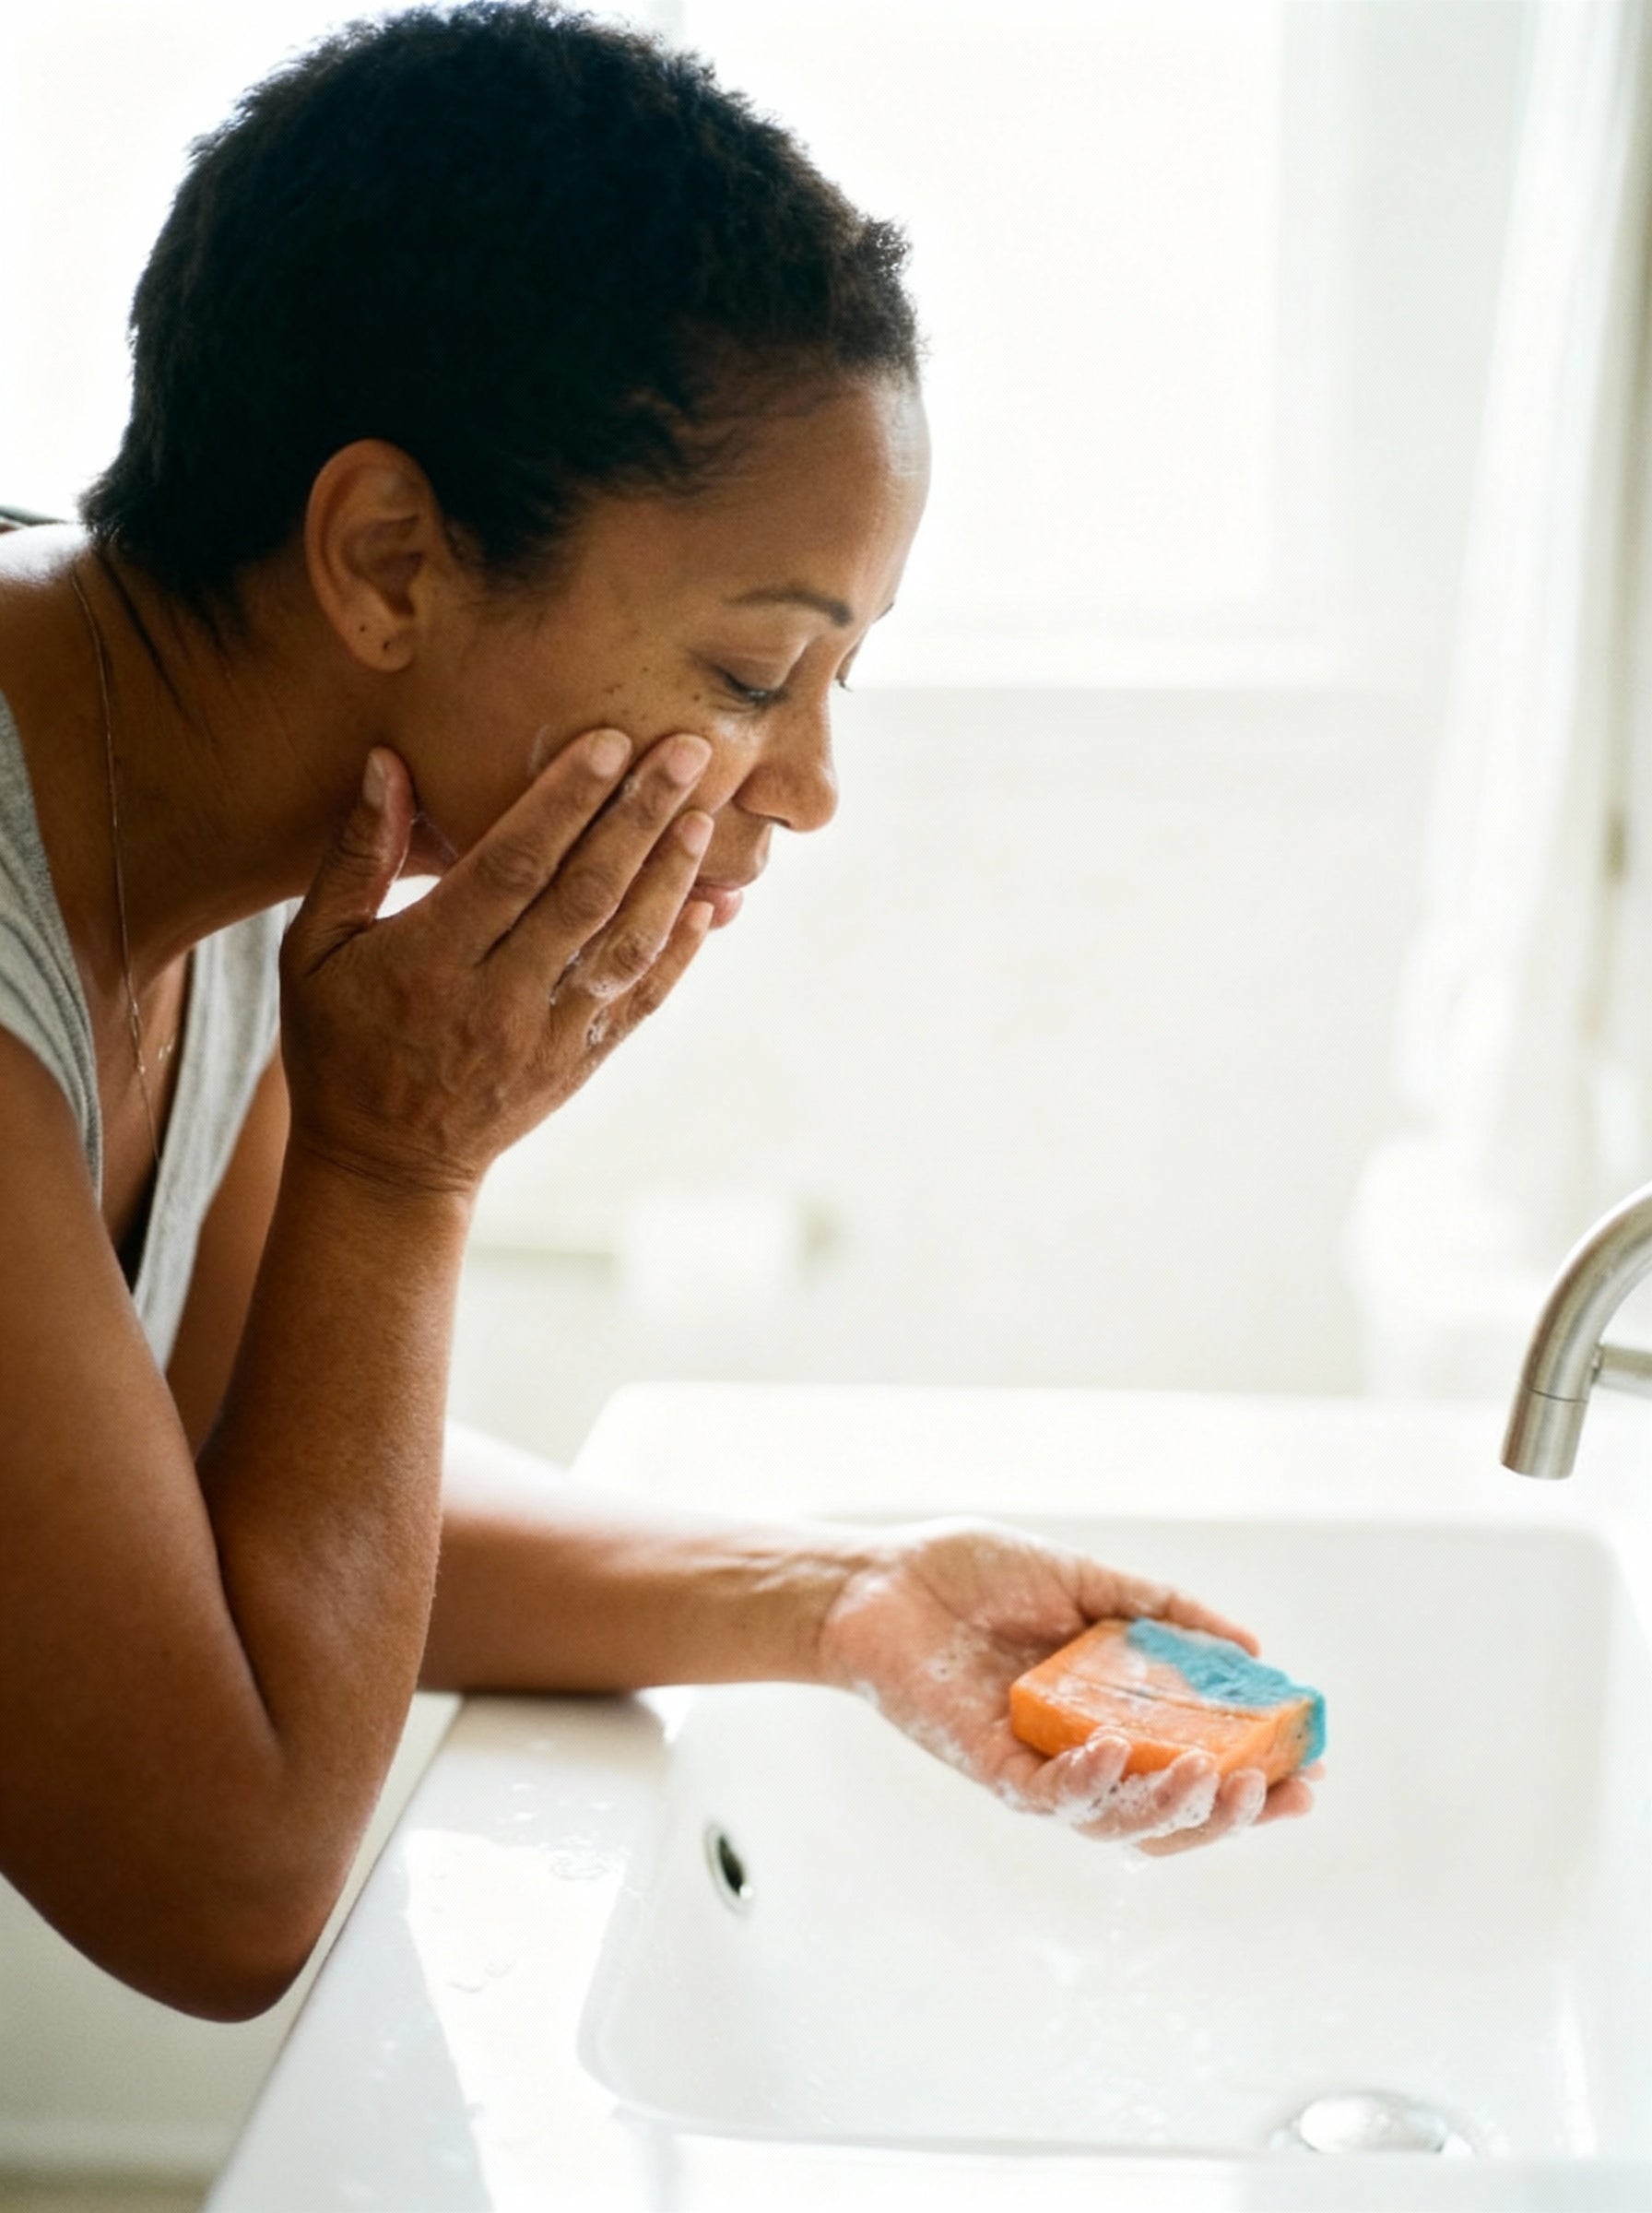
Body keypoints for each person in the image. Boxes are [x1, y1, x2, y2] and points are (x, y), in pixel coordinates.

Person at [0, 1, 1316, 2024]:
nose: (799, 790)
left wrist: (843, 1598)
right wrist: (398, 1163)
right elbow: (225, 1889)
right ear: (385, 559)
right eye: (746, 673)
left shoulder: (228, 795)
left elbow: (215, 1471)